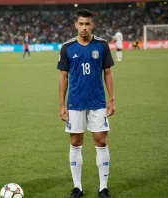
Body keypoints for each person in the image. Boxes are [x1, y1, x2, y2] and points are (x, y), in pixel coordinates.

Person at [57, 9, 115, 198]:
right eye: (81, 23)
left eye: (87, 24)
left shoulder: (102, 45)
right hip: (75, 103)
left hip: (98, 102)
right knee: (75, 142)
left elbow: (107, 72)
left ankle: (103, 188)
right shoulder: (67, 47)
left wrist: (111, 99)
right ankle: (77, 187)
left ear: (92, 25)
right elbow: (63, 76)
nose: (84, 27)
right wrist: (62, 104)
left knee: (101, 140)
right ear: (76, 25)